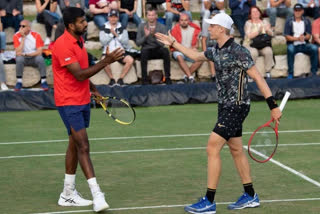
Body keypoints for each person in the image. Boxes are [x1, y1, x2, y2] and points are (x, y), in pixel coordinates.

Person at [155, 12, 282, 213]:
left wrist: (273, 105)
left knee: (212, 147)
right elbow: (196, 56)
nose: (209, 28)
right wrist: (173, 43)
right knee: (236, 150)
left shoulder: (239, 51)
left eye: (212, 26)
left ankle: (209, 201)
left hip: (237, 106)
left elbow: (258, 77)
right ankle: (250, 195)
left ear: (221, 29)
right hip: (224, 106)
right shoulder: (215, 50)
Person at [52, 7, 124, 212]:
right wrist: (106, 61)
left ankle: (67, 193)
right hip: (68, 102)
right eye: (81, 22)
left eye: (85, 20)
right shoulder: (63, 45)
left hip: (82, 99)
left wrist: (93, 89)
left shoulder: (79, 40)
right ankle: (97, 195)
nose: (85, 24)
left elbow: (83, 73)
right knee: (83, 146)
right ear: (70, 25)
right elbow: (79, 75)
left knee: (74, 144)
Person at [136, 8, 171, 85]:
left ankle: (167, 77)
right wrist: (146, 36)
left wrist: (154, 36)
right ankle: (144, 78)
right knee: (143, 51)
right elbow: (138, 43)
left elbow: (162, 44)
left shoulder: (161, 27)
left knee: (165, 51)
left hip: (158, 49)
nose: (151, 17)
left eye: (153, 15)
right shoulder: (142, 26)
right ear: (147, 16)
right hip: (147, 49)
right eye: (149, 15)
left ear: (156, 16)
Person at [100, 9, 135, 86]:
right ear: (108, 18)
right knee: (103, 61)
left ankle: (120, 79)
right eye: (111, 17)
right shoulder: (104, 27)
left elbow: (125, 42)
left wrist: (116, 35)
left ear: (118, 18)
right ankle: (112, 79)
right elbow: (103, 42)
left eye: (115, 17)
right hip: (108, 52)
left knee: (130, 60)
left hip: (120, 51)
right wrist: (111, 35)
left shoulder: (122, 27)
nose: (113, 19)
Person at [13, 20, 49, 91]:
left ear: (29, 28)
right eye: (19, 26)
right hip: (23, 57)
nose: (21, 28)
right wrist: (23, 38)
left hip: (34, 57)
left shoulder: (36, 35)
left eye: (23, 26)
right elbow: (18, 52)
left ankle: (43, 81)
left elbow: (39, 51)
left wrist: (27, 54)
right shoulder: (16, 36)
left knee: (40, 59)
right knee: (19, 59)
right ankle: (19, 81)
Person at [284, 3, 318, 79]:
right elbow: (287, 37)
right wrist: (297, 39)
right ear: (293, 11)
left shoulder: (307, 21)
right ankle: (290, 73)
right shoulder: (289, 21)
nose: (297, 12)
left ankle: (313, 72)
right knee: (290, 49)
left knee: (314, 48)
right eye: (296, 10)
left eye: (299, 10)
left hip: (304, 44)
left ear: (302, 11)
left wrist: (304, 37)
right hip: (293, 44)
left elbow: (309, 35)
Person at [170, 13, 202, 83]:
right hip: (178, 50)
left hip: (190, 52)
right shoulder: (175, 30)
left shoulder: (194, 29)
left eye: (185, 20)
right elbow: (173, 45)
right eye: (182, 20)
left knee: (201, 58)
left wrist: (194, 48)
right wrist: (185, 50)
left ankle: (185, 76)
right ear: (179, 21)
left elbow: (197, 45)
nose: (184, 22)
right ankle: (190, 77)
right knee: (179, 56)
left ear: (189, 21)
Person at [244, 6, 274, 78]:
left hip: (262, 44)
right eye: (253, 12)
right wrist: (259, 30)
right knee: (253, 52)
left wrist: (268, 30)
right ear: (250, 14)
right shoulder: (248, 23)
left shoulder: (264, 22)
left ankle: (268, 72)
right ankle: (250, 73)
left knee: (268, 51)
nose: (256, 13)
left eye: (257, 11)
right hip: (250, 44)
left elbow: (271, 34)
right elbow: (249, 36)